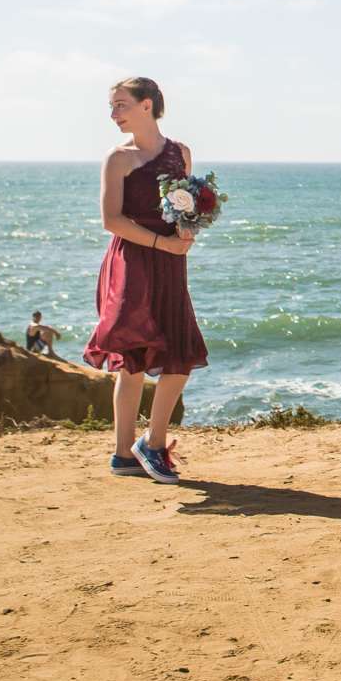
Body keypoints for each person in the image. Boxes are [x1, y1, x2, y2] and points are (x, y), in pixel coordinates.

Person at [82, 77, 208, 483]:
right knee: (132, 359)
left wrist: (187, 233)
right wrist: (160, 242)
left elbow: (184, 208)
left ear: (147, 105)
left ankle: (152, 444)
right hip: (132, 260)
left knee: (179, 352)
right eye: (112, 106)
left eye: (120, 105)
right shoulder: (117, 158)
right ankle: (123, 454)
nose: (113, 114)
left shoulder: (180, 154)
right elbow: (111, 220)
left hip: (170, 262)